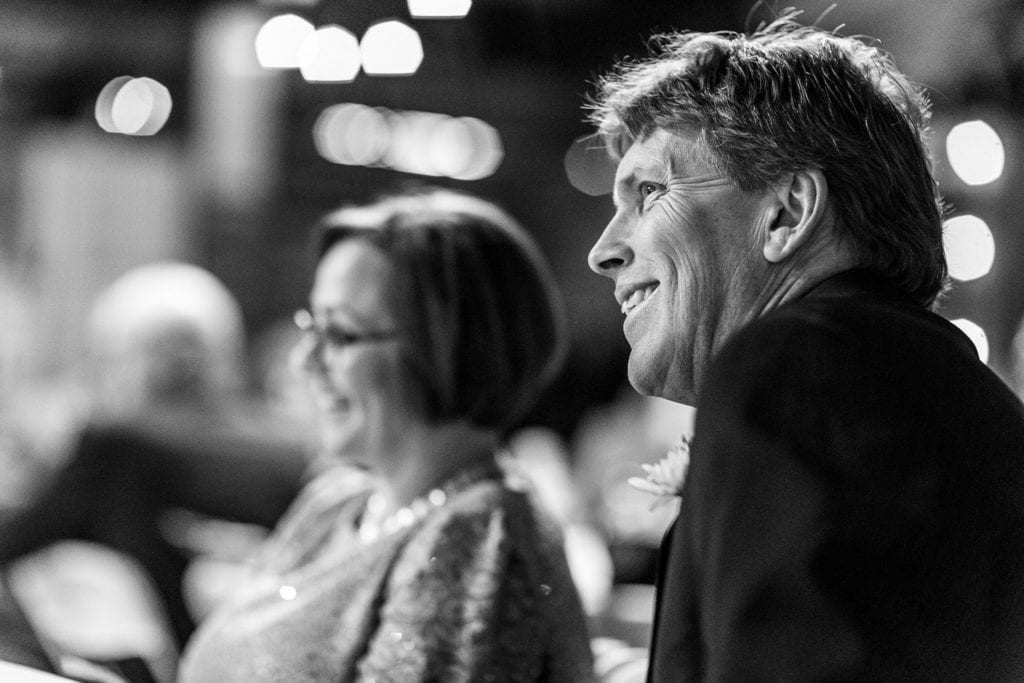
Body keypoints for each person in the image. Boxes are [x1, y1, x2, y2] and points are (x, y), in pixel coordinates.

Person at [585, 11, 1024, 681]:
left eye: (649, 191)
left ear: (787, 212)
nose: (603, 251)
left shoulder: (796, 367)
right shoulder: (971, 401)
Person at [176, 187, 594, 682]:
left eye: (342, 335)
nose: (304, 361)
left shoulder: (481, 535)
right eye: (311, 327)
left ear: (452, 346)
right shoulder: (337, 502)